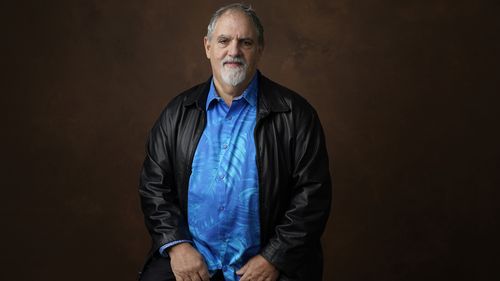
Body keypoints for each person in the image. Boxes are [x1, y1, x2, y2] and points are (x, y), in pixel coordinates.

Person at [138, 3, 331, 281]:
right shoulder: (177, 113)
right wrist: (177, 246)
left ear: (260, 49)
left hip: (268, 263)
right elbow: (153, 185)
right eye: (224, 41)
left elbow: (313, 196)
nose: (234, 51)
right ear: (207, 47)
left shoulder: (296, 115)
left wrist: (273, 258)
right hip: (193, 260)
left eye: (246, 42)